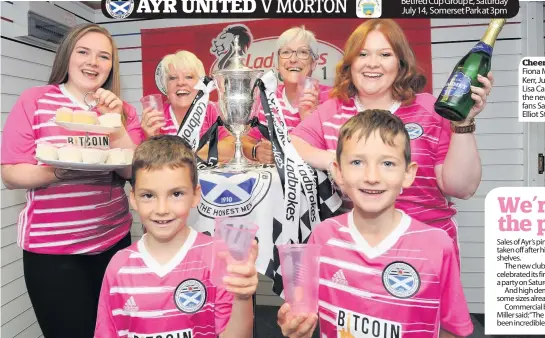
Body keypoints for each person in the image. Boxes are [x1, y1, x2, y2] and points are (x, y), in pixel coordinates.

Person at [290, 19, 493, 265]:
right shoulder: (332, 110)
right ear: (351, 63)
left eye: (385, 54)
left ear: (401, 63)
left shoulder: (429, 109)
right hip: (354, 250)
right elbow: (292, 144)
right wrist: (333, 158)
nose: (372, 63)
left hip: (424, 250)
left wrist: (463, 123)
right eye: (363, 54)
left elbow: (461, 188)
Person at [278, 110, 473, 338]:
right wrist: (293, 325)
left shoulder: (437, 245)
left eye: (388, 163)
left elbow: (453, 328)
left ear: (408, 174)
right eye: (357, 162)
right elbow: (302, 315)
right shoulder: (323, 236)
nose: (372, 176)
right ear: (338, 172)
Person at [0, 23, 142, 337]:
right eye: (84, 52)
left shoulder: (123, 111)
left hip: (113, 243)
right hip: (53, 253)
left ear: (110, 67)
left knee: (117, 331)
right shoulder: (34, 101)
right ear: (67, 56)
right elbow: (11, 173)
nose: (93, 62)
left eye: (103, 56)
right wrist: (60, 169)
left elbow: (134, 172)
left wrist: (115, 124)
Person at [95, 135, 257, 337]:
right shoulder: (118, 266)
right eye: (148, 195)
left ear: (196, 195)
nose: (162, 209)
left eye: (176, 194)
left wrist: (243, 297)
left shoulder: (218, 258)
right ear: (134, 199)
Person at [242, 26, 332, 164]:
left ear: (314, 63)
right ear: (277, 63)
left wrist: (310, 120)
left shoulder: (332, 99)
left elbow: (340, 153)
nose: (293, 59)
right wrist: (256, 151)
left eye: (302, 52)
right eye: (286, 52)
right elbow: (244, 140)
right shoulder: (265, 98)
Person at [140, 50, 235, 163]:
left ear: (200, 84)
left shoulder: (212, 110)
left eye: (189, 77)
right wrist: (150, 140)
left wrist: (187, 152)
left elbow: (231, 147)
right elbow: (148, 165)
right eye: (173, 78)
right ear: (166, 87)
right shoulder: (157, 117)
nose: (180, 82)